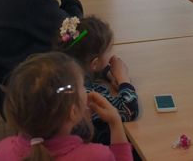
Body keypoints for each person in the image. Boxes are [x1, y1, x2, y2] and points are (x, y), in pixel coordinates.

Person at [0, 51, 132, 161]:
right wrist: (115, 123)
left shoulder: (4, 149)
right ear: (73, 111)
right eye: (82, 86)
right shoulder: (97, 155)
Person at [57, 16, 139, 146]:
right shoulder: (87, 96)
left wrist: (109, 74)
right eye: (109, 50)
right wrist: (123, 79)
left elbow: (92, 69)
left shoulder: (64, 69)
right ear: (94, 63)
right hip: (102, 147)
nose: (112, 54)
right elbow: (129, 110)